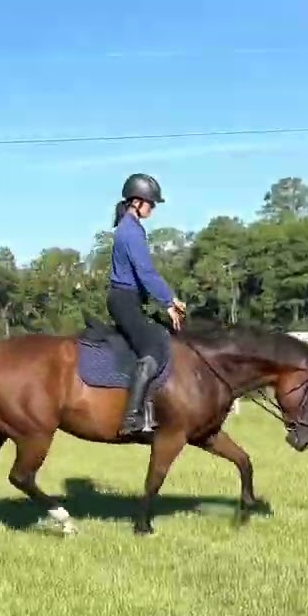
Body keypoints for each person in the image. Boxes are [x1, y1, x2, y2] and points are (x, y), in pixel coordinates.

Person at [106, 172, 187, 436]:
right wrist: (168, 302)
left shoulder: (130, 228)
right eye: (151, 203)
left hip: (130, 299)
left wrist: (171, 299)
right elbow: (146, 272)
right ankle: (132, 417)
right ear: (137, 201)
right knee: (152, 348)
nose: (152, 208)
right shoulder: (130, 231)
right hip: (124, 300)